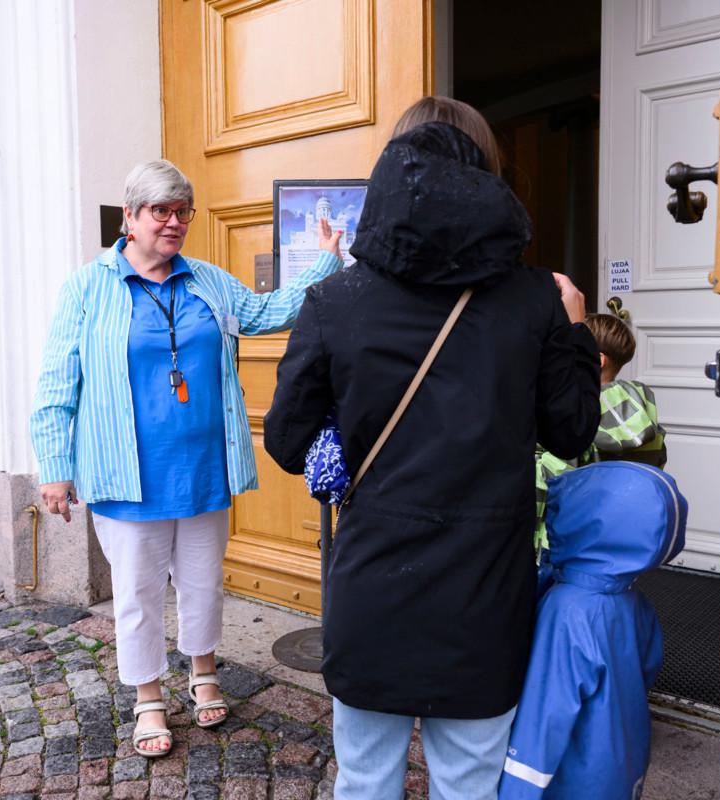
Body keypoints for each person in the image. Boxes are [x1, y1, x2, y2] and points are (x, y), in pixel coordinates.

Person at [262, 96, 601, 799]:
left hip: (373, 591)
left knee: (364, 781)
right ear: (486, 171)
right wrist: (574, 329)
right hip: (483, 597)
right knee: (469, 785)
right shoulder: (537, 298)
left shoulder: (337, 301)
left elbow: (289, 443)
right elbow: (571, 434)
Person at [30, 159, 343, 757]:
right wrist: (54, 468)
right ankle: (149, 696)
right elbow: (56, 382)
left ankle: (203, 673)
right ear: (130, 216)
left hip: (202, 468)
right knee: (139, 593)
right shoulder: (87, 288)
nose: (174, 223)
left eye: (182, 212)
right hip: (126, 474)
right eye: (160, 212)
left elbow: (267, 313)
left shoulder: (205, 281)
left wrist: (326, 263)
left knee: (202, 585)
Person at [500, 462, 688, 800]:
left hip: (572, 776)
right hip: (623, 762)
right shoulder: (631, 598)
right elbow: (647, 667)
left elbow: (546, 716)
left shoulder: (568, 610)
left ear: (579, 522)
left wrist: (516, 790)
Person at [533, 312, 668, 551]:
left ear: (597, 359)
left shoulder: (577, 417)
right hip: (622, 534)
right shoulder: (639, 411)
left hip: (566, 538)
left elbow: (551, 481)